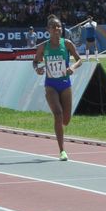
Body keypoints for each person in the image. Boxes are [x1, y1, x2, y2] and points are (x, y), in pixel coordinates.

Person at [33, 15, 83, 161]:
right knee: (58, 113)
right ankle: (62, 151)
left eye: (59, 26)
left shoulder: (67, 44)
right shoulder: (43, 46)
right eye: (54, 27)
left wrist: (72, 67)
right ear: (48, 30)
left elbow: (79, 59)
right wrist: (37, 69)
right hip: (51, 85)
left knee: (66, 120)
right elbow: (35, 62)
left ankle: (59, 128)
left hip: (65, 85)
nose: (57, 29)